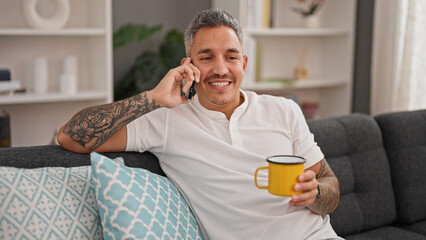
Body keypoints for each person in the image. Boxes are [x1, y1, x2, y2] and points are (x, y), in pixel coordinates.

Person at [57, 9, 341, 240]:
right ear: (187, 65)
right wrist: (153, 98)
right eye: (206, 58)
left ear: (243, 64)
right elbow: (69, 136)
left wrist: (315, 194)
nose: (220, 69)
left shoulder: (285, 110)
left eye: (231, 57)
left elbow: (330, 186)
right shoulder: (165, 119)